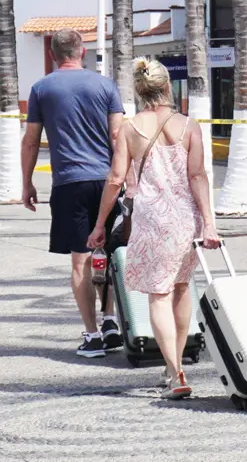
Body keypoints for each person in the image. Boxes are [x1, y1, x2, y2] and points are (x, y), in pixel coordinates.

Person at [88, 59, 220, 400]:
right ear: (166, 88)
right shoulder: (189, 125)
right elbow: (197, 176)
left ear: (140, 90)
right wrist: (209, 222)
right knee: (180, 288)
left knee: (158, 296)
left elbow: (116, 179)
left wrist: (100, 224)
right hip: (185, 221)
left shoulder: (129, 129)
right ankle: (171, 366)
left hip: (152, 221)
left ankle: (175, 372)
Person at [20, 28, 125, 359]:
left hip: (69, 183)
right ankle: (110, 321)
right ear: (82, 52)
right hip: (107, 181)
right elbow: (118, 137)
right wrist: (126, 178)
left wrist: (27, 182)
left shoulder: (41, 88)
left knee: (80, 260)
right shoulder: (106, 85)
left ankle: (92, 336)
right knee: (107, 253)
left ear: (53, 55)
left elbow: (31, 140)